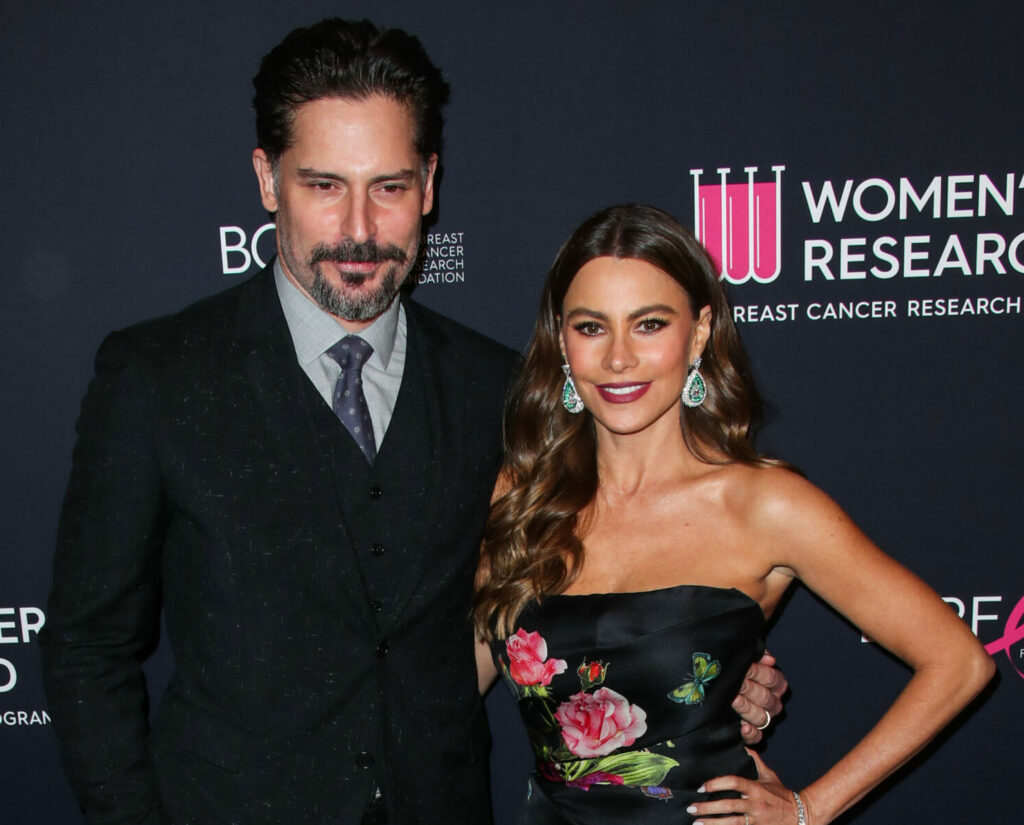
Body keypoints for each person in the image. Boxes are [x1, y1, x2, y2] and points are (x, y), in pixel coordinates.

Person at [39, 20, 784, 825]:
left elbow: (600, 571)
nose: (359, 229)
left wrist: (713, 666)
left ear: (429, 184)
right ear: (267, 179)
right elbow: (89, 647)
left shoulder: (498, 387)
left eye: (389, 187)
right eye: (325, 186)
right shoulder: (158, 377)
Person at [475, 204, 994, 824]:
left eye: (648, 324)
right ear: (562, 340)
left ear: (698, 334)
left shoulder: (764, 505)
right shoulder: (519, 498)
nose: (618, 358)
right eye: (591, 327)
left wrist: (809, 809)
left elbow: (959, 662)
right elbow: (454, 682)